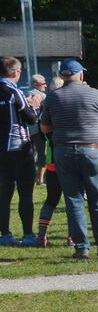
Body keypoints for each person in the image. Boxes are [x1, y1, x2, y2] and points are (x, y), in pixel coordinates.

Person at [38, 59, 98, 258]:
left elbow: (44, 128)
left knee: (74, 200)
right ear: (80, 75)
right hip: (90, 149)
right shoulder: (94, 94)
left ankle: (81, 248)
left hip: (63, 151)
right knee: (97, 199)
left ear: (62, 76)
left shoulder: (52, 97)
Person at [1, 57, 39, 246]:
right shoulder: (13, 91)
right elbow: (30, 118)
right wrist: (33, 106)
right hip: (18, 147)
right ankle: (28, 235)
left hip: (1, 151)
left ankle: (5, 234)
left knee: (4, 193)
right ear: (15, 72)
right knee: (25, 192)